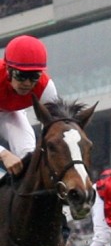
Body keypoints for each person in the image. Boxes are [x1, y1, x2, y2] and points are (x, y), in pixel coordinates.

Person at [0, 35, 61, 177]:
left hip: (10, 113)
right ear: (8, 69)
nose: (27, 83)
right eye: (21, 75)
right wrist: (3, 153)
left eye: (34, 76)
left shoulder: (46, 87)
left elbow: (55, 128)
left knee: (29, 155)